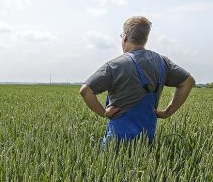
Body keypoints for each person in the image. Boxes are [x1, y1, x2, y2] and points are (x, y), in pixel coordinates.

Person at [79, 16, 195, 146]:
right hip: (146, 142)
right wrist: (168, 112)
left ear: (125, 37)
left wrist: (104, 113)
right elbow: (188, 82)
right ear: (145, 39)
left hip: (116, 142)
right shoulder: (163, 62)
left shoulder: (114, 65)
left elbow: (85, 90)